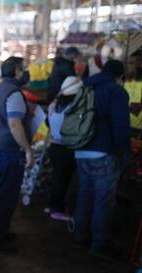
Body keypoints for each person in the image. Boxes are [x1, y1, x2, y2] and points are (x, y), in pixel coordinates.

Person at [74, 59, 130, 261]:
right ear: (120, 75)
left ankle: (81, 236)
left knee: (85, 194)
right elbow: (121, 126)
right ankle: (100, 243)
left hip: (80, 150)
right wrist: (124, 152)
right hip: (103, 153)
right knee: (103, 200)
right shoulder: (116, 91)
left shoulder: (85, 86)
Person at [0, 56, 33, 253]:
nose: (26, 72)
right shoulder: (13, 93)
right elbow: (14, 124)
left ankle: (0, 231)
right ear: (17, 72)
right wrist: (28, 149)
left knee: (2, 193)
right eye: (24, 69)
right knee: (5, 196)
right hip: (8, 150)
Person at [46, 76, 81, 221]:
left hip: (53, 147)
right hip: (66, 149)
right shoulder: (73, 108)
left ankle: (52, 205)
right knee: (64, 180)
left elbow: (48, 123)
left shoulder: (53, 105)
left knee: (57, 177)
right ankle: (57, 209)